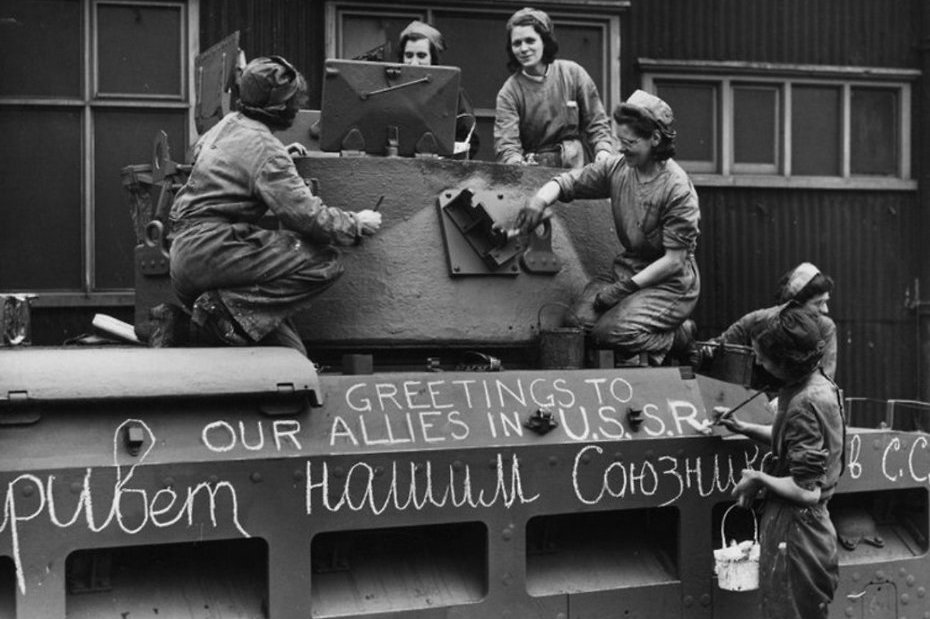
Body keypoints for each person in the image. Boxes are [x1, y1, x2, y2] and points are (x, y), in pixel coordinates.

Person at [165, 56, 382, 354]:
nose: (297, 108)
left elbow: (231, 162)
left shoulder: (226, 125)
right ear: (279, 108)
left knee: (291, 353)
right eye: (293, 102)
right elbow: (306, 216)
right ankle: (215, 315)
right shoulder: (267, 151)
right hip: (213, 250)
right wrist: (355, 223)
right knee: (325, 261)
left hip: (184, 257)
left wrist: (277, 157)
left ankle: (188, 325)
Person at [517, 89, 699, 365]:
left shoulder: (678, 189)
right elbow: (569, 182)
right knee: (577, 323)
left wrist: (622, 289)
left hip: (671, 283)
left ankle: (679, 337)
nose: (621, 148)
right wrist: (538, 201)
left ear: (655, 139)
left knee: (610, 333)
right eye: (618, 141)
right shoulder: (619, 168)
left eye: (630, 142)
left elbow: (674, 261)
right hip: (630, 267)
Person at [719, 303, 845, 618]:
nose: (758, 361)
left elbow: (807, 490)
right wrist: (743, 427)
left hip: (797, 530)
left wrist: (759, 478)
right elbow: (793, 441)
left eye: (763, 358)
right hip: (801, 527)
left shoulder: (804, 403)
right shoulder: (816, 384)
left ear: (786, 362)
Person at [494, 7, 614, 168]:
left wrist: (603, 150)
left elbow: (597, 123)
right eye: (517, 43)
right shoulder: (509, 93)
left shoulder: (573, 74)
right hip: (536, 171)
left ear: (544, 41)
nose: (523, 49)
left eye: (530, 41)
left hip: (578, 167)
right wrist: (516, 164)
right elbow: (507, 146)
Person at [713, 262, 838, 379]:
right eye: (818, 303)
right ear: (795, 304)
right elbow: (718, 346)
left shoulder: (825, 327)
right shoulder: (758, 320)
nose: (825, 310)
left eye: (825, 301)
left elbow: (825, 376)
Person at [397, 20, 480, 159]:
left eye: (421, 56)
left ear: (433, 58)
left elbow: (470, 140)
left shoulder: (453, 93)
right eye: (409, 55)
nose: (414, 63)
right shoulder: (389, 91)